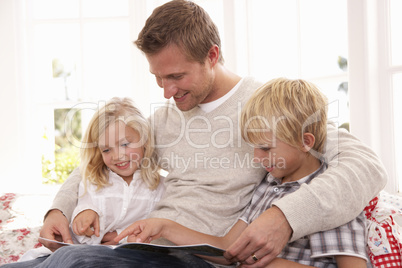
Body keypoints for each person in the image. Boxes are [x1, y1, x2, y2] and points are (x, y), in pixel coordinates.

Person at [19, 0, 386, 267]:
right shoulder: (163, 120)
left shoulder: (266, 111)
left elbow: (366, 165)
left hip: (195, 259)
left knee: (78, 263)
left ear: (212, 55)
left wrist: (285, 216)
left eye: (176, 77)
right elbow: (106, 158)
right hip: (142, 250)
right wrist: (59, 207)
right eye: (158, 78)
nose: (165, 91)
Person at [114, 78, 370, 267]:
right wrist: (164, 228)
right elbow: (228, 248)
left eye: (265, 148)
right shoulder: (268, 187)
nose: (257, 159)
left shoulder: (332, 198)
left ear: (306, 141)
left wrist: (271, 265)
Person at [8, 97, 165, 264]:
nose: (117, 156)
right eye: (106, 149)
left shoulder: (159, 187)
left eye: (125, 144)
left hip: (118, 258)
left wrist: (121, 237)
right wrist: (84, 215)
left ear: (145, 140)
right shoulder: (94, 179)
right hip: (74, 252)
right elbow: (83, 224)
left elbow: (156, 230)